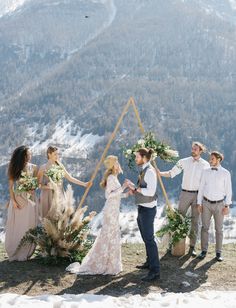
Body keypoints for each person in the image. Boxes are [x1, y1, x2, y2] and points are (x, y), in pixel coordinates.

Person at [66, 155, 130, 275]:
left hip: (114, 210)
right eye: (116, 162)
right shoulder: (111, 177)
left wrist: (126, 194)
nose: (118, 164)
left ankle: (112, 263)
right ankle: (105, 263)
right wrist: (123, 187)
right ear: (112, 165)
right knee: (108, 234)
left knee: (112, 234)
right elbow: (108, 195)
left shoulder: (114, 177)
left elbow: (116, 195)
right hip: (110, 210)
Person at [157, 142, 209, 256]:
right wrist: (159, 173)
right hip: (185, 193)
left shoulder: (206, 165)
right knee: (178, 219)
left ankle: (192, 247)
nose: (193, 150)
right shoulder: (183, 161)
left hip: (198, 195)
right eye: (192, 148)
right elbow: (171, 173)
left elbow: (207, 183)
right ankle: (173, 245)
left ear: (200, 151)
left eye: (196, 149)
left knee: (195, 221)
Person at [126, 148, 160, 282]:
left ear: (144, 157)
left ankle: (155, 271)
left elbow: (150, 192)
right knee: (146, 238)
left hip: (148, 209)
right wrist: (134, 188)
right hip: (143, 207)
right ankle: (149, 262)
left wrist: (135, 188)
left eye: (137, 157)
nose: (135, 159)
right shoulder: (144, 169)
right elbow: (143, 188)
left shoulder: (150, 172)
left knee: (149, 239)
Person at [5, 146, 39, 261]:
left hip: (30, 199)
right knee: (17, 226)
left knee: (28, 225)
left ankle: (26, 251)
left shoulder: (34, 167)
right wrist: (13, 201)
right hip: (18, 200)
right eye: (28, 154)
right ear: (23, 156)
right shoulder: (14, 167)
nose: (30, 156)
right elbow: (10, 187)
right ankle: (14, 251)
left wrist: (33, 189)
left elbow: (35, 185)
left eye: (30, 154)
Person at [197, 151, 232, 262]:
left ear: (218, 159)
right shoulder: (205, 171)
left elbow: (229, 191)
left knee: (219, 229)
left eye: (212, 159)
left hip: (220, 205)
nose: (210, 160)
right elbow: (201, 188)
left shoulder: (225, 173)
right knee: (204, 228)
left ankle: (218, 252)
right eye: (210, 158)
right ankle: (203, 251)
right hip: (206, 203)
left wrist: (227, 205)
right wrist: (199, 203)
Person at [38, 146, 91, 218]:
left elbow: (70, 178)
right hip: (47, 195)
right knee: (48, 218)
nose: (57, 156)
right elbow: (38, 185)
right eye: (55, 154)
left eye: (58, 154)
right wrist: (48, 186)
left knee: (61, 215)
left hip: (59, 194)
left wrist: (84, 184)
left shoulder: (60, 166)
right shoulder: (43, 168)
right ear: (49, 154)